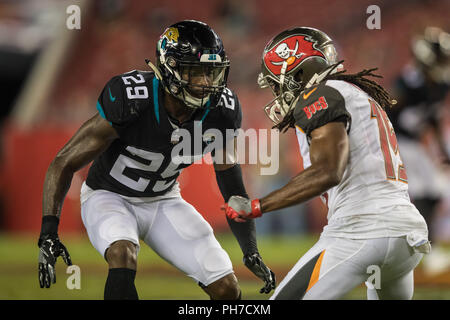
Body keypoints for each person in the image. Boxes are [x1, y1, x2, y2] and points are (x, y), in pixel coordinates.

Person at [38, 20, 275, 300]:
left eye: (210, 72)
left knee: (227, 289)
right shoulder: (132, 99)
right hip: (109, 196)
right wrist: (49, 232)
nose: (205, 83)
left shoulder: (221, 111)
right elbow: (63, 161)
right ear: (169, 68)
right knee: (122, 253)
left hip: (164, 200)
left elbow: (233, 187)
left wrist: (250, 250)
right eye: (194, 72)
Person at [224, 27, 430, 300]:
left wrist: (258, 206)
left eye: (278, 82)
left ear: (299, 73)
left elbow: (328, 171)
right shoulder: (359, 96)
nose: (277, 91)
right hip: (406, 233)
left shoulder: (321, 94)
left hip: (361, 230)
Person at [385, 27, 450, 274]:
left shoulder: (441, 84)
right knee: (423, 191)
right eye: (442, 60)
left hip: (412, 143)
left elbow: (432, 118)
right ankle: (422, 248)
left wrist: (443, 152)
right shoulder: (405, 84)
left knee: (433, 191)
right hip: (396, 142)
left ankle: (421, 246)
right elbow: (386, 114)